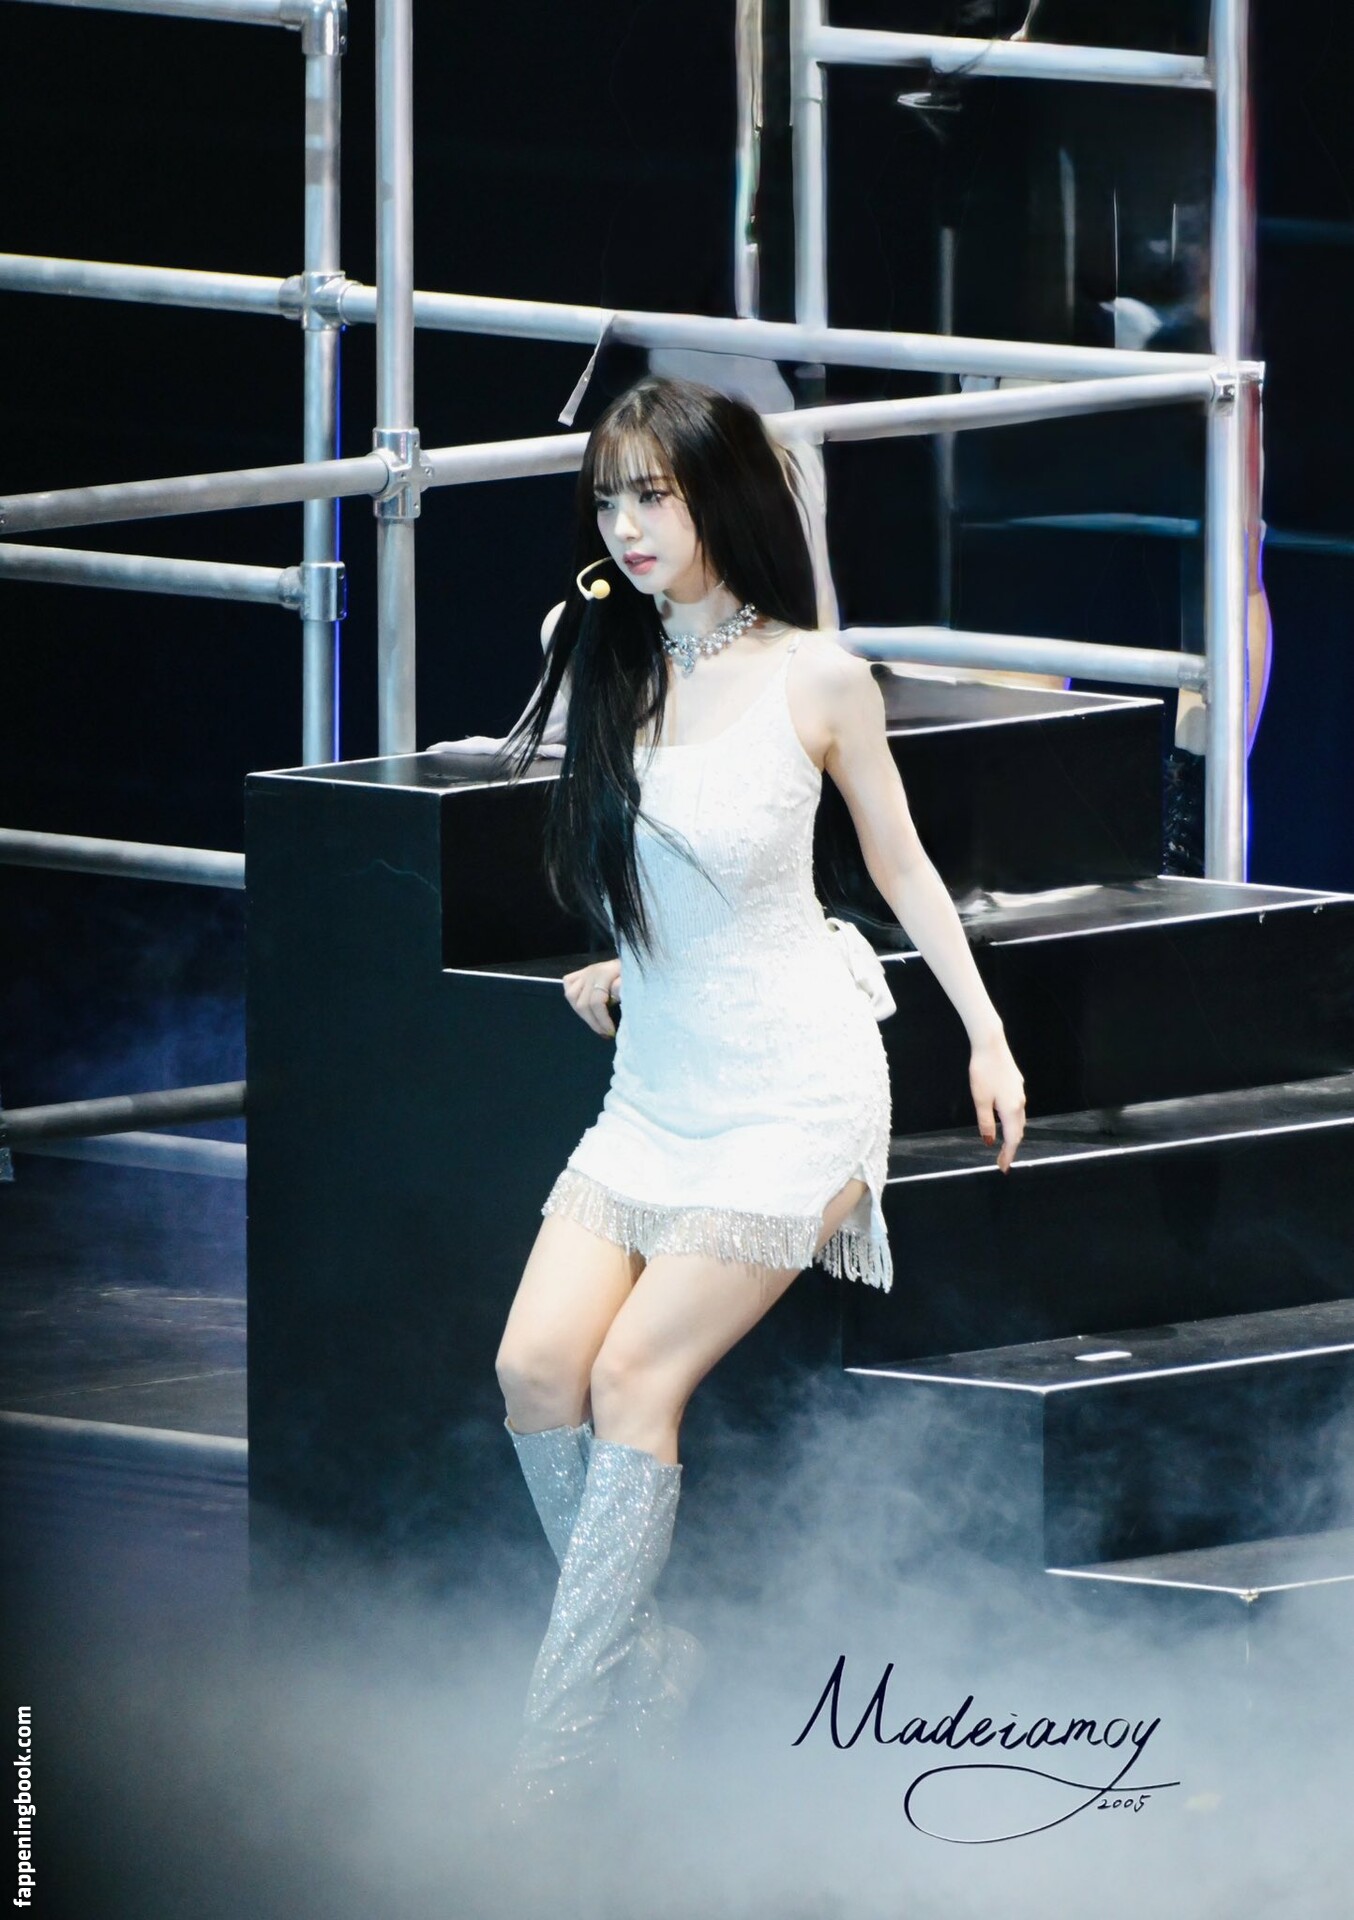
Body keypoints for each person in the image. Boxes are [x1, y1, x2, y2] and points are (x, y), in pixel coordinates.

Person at [491, 375, 1026, 1810]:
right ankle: (645, 1660)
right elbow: (659, 851)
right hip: (659, 1086)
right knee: (534, 1370)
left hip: (795, 1089)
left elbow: (899, 865)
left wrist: (984, 1035)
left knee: (630, 1379)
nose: (627, 525)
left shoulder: (818, 677)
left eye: (654, 495)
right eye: (610, 498)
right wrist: (627, 958)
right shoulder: (591, 647)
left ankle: (553, 1759)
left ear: (720, 498)